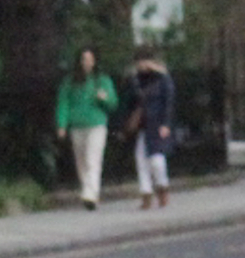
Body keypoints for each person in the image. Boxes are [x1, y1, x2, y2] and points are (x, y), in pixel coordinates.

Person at [54, 47, 118, 209]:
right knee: (81, 161)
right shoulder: (70, 81)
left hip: (96, 124)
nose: (87, 62)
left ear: (95, 61)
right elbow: (64, 103)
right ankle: (89, 192)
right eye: (84, 59)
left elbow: (113, 103)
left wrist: (104, 99)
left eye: (90, 59)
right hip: (77, 125)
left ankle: (90, 193)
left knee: (92, 159)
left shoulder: (102, 80)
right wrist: (62, 124)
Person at [121, 50, 175, 209]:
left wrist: (166, 124)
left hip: (157, 123)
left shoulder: (163, 79)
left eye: (145, 61)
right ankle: (146, 193)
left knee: (157, 160)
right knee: (141, 161)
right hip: (142, 125)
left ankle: (162, 187)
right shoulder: (135, 80)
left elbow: (169, 101)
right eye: (139, 62)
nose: (142, 65)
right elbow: (129, 101)